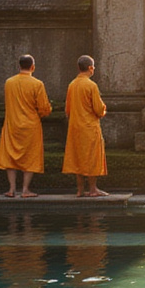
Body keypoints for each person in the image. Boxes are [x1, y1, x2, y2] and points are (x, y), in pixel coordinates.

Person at [0, 54, 52, 198]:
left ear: (19, 66)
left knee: (10, 155)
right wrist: (45, 112)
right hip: (31, 125)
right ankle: (25, 189)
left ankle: (11, 189)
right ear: (33, 67)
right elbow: (44, 108)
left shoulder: (9, 82)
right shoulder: (37, 84)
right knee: (31, 156)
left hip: (12, 123)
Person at [63, 54, 108, 197]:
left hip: (75, 127)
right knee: (91, 157)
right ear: (90, 68)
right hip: (89, 127)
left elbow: (67, 110)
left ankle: (80, 190)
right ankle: (93, 189)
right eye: (93, 67)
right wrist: (103, 109)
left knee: (78, 157)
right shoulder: (91, 85)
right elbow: (99, 109)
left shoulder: (72, 85)